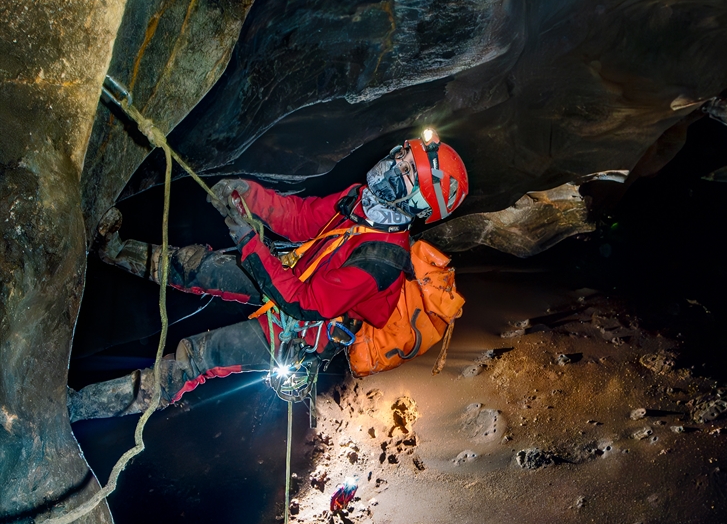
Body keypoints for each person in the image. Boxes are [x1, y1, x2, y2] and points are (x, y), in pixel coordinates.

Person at [68, 133, 468, 421]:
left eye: (402, 173)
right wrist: (249, 195)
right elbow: (301, 218)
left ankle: (76, 407)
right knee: (195, 266)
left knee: (195, 359)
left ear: (416, 203)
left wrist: (246, 239)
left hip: (303, 329)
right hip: (295, 272)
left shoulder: (381, 262)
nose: (386, 169)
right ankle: (110, 248)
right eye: (398, 159)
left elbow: (303, 302)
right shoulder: (362, 201)